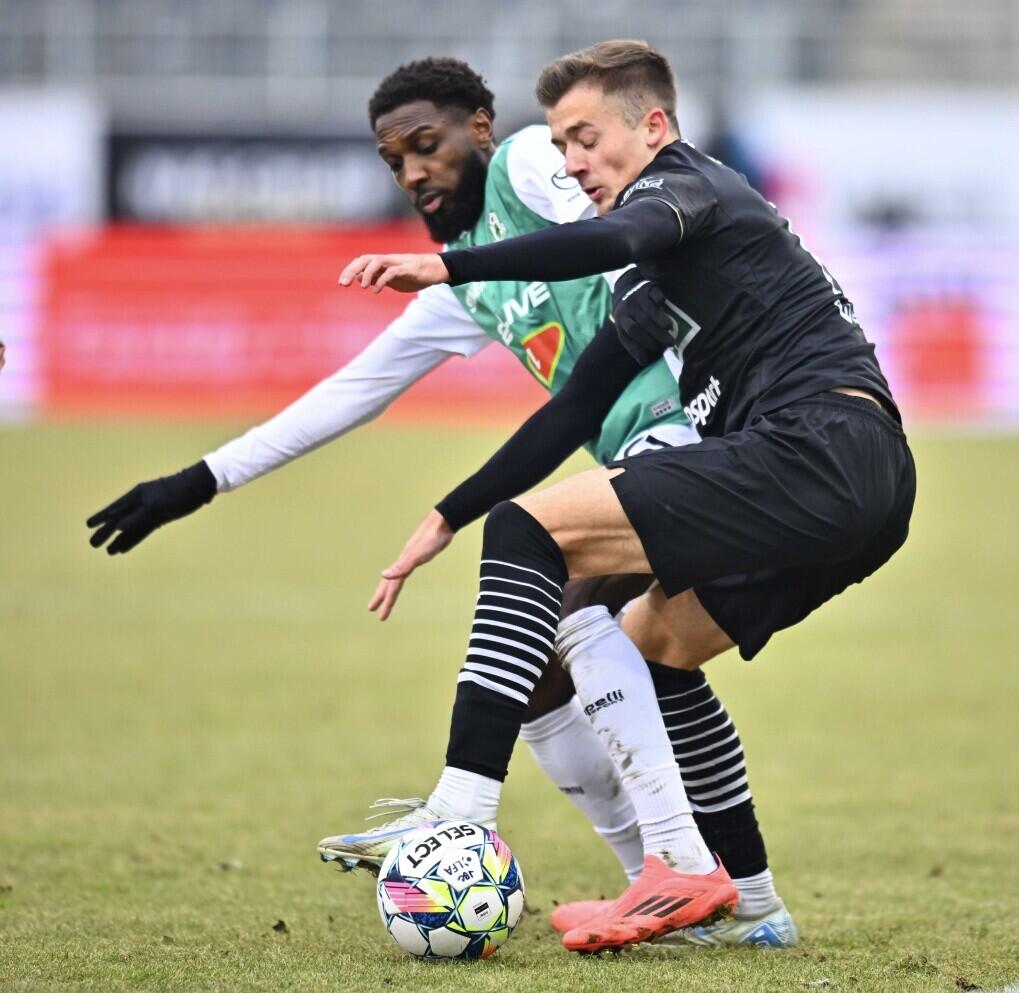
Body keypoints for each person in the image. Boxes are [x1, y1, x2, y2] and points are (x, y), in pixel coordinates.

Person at [85, 57, 795, 948]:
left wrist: (597, 289)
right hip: (639, 461)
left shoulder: (534, 159)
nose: (414, 171)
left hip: (704, 433)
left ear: (482, 130)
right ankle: (724, 901)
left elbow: (614, 227)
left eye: (427, 144)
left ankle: (625, 855)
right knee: (539, 677)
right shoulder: (463, 287)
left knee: (574, 604)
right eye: (395, 161)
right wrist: (199, 480)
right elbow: (351, 391)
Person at [339, 39, 916, 954]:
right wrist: (447, 514)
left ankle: (461, 809)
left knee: (533, 531)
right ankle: (751, 908)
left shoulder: (683, 187)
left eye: (584, 137)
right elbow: (576, 404)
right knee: (655, 644)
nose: (568, 162)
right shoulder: (662, 265)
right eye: (561, 143)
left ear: (652, 127)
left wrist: (452, 268)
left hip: (818, 444)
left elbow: (612, 236)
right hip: (862, 480)